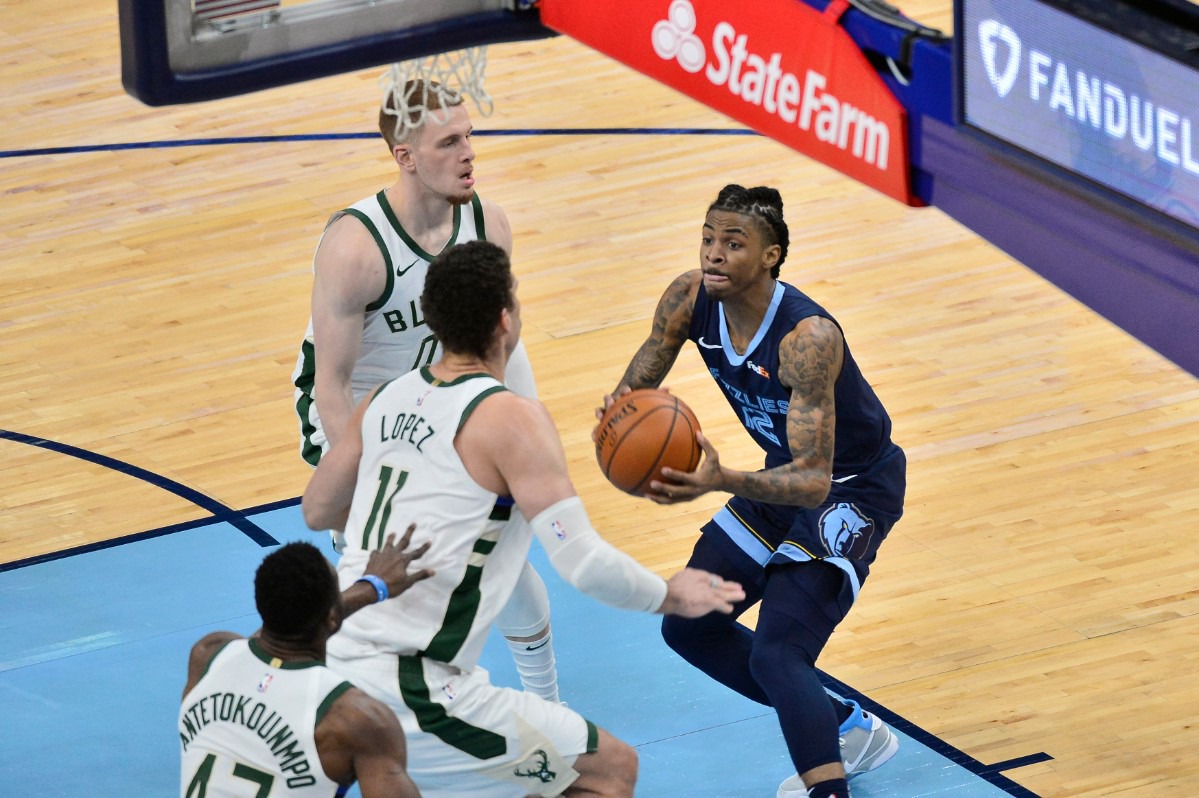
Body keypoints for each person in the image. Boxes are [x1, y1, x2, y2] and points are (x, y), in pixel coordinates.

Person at [301, 239, 746, 797]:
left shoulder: (384, 398)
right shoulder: (511, 418)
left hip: (327, 663)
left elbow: (318, 509)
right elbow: (581, 562)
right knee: (610, 770)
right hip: (411, 688)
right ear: (505, 318)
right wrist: (671, 596)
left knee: (539, 778)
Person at [595, 185, 907, 798]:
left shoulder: (807, 339)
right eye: (708, 238)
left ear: (771, 256)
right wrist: (621, 425)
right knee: (690, 624)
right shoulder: (688, 298)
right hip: (779, 473)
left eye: (732, 244)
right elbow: (635, 389)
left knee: (777, 652)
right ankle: (845, 725)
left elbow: (814, 479)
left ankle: (828, 790)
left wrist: (719, 479)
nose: (713, 253)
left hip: (850, 488)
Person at [289, 78, 560, 703]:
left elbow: (506, 336)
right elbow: (329, 386)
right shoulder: (356, 247)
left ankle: (548, 703)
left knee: (504, 556)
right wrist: (368, 484)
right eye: (449, 142)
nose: (470, 154)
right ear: (404, 156)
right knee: (379, 574)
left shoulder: (488, 222)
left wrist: (487, 437)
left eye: (469, 136)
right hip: (363, 407)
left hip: (451, 382)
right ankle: (339, 712)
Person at [179, 527, 433, 798]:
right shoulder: (355, 719)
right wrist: (372, 588)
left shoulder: (209, 656)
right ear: (332, 617)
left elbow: (278, 627)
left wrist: (370, 588)